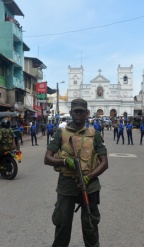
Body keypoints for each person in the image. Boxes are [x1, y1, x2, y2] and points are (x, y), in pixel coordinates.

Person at [44, 98, 108, 247]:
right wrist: (65, 161)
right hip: (67, 184)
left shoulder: (95, 134)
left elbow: (104, 163)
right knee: (62, 226)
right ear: (71, 112)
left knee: (90, 226)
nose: (78, 114)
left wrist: (89, 177)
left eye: (81, 111)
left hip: (90, 185)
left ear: (87, 113)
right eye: (75, 111)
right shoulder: (61, 133)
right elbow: (47, 158)